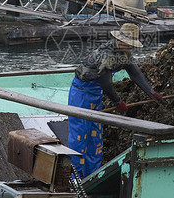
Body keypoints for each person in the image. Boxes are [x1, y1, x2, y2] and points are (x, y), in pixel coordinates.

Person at [67, 23, 164, 177]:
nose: (130, 47)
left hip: (95, 94)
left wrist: (151, 92)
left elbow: (135, 74)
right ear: (121, 41)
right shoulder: (107, 55)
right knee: (80, 136)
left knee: (95, 136)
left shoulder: (124, 53)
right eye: (129, 44)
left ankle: (90, 177)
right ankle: (74, 177)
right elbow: (106, 84)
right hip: (81, 93)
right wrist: (118, 102)